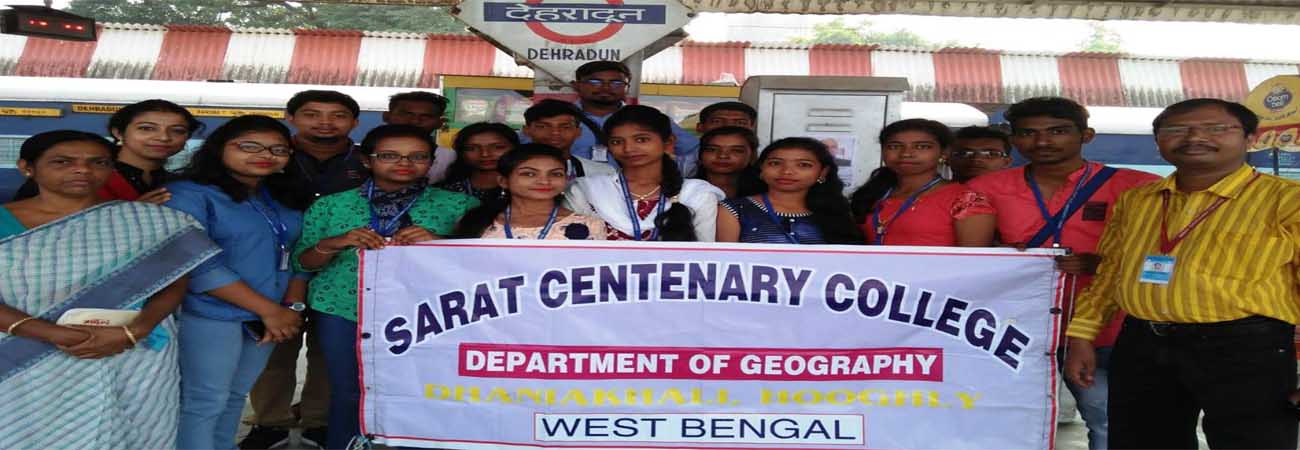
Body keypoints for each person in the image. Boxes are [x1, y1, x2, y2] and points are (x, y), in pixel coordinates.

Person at [1065, 99, 1300, 449]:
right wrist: (1082, 336)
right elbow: (1110, 271)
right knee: (1142, 442)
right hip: (1142, 342)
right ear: (1158, 141)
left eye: (1216, 128)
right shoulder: (1137, 200)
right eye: (1176, 129)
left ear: (1250, 138)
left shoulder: (1287, 200)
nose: (1194, 137)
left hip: (1245, 347)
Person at [0, 130, 219, 450]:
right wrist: (54, 334)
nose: (82, 169)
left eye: (98, 162)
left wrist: (135, 331)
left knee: (135, 430)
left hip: (133, 352)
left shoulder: (153, 221)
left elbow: (174, 282)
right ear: (27, 168)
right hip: (25, 352)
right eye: (62, 162)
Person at [966, 97, 1159, 450]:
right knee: (1005, 418)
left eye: (1057, 131)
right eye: (1028, 133)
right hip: (1015, 327)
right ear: (1014, 139)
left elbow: (1170, 257)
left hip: (1106, 325)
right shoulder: (987, 188)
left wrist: (1103, 265)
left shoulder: (1138, 186)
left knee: (1109, 419)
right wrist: (1005, 256)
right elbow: (970, 255)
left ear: (1086, 135)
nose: (1042, 141)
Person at [294, 124, 478, 449]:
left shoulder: (460, 205)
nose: (404, 163)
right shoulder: (331, 205)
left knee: (419, 387)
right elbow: (303, 263)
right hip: (343, 308)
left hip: (429, 314)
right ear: (367, 160)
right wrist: (334, 243)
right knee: (349, 390)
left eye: (417, 156)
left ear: (431, 162)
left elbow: (479, 265)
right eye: (390, 155)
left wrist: (439, 242)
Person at [164, 115, 309, 450]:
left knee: (233, 397)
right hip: (209, 313)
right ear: (219, 148)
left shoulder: (277, 195)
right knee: (203, 400)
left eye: (278, 149)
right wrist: (269, 310)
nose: (265, 155)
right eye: (249, 146)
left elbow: (297, 254)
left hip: (269, 316)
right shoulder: (188, 194)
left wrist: (290, 307)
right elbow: (197, 263)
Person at [242, 90, 362, 449]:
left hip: (339, 272)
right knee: (274, 349)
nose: (325, 122)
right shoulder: (273, 157)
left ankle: (318, 422)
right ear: (291, 117)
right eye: (312, 114)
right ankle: (270, 422)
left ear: (354, 122)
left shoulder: (366, 161)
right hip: (272, 269)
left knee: (331, 354)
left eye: (337, 115)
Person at [566, 105, 723, 241]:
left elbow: (706, 253)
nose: (628, 148)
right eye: (617, 142)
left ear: (668, 143)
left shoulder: (696, 194)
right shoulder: (587, 190)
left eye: (641, 140)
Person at [12, 99, 205, 203]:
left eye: (177, 131)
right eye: (146, 128)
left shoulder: (176, 183)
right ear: (118, 132)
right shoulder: (79, 174)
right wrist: (132, 214)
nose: (163, 137)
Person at [850, 119, 996, 247]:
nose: (906, 153)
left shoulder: (966, 201)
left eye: (922, 146)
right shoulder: (874, 193)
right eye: (894, 146)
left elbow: (973, 263)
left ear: (944, 153)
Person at [716, 137, 861, 244]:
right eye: (775, 163)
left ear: (823, 172)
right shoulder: (734, 210)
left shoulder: (838, 210)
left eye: (803, 165)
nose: (787, 171)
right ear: (761, 169)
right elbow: (726, 264)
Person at [565, 60, 700, 175]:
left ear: (627, 87)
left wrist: (673, 172)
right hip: (570, 187)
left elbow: (695, 151)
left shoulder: (648, 117)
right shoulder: (560, 117)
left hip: (634, 190)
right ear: (576, 85)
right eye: (595, 81)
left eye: (616, 83)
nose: (606, 87)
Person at [455, 143, 607, 240]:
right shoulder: (478, 222)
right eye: (529, 174)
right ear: (503, 181)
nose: (544, 181)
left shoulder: (590, 225)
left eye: (555, 174)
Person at [522, 99, 615, 179]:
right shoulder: (514, 169)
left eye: (565, 127)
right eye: (543, 126)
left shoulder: (603, 173)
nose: (555, 132)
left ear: (578, 132)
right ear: (526, 130)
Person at [381, 91, 456, 183]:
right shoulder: (368, 150)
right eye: (406, 114)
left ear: (440, 123)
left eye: (426, 117)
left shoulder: (449, 158)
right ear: (386, 116)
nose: (415, 121)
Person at [438, 122, 519, 203]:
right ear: (461, 152)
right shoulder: (443, 192)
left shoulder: (524, 189)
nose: (485, 154)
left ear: (515, 149)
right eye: (472, 148)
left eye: (498, 147)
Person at [696, 126, 760, 198]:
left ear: (752, 156)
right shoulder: (688, 189)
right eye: (712, 149)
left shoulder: (765, 193)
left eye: (736, 150)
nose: (722, 156)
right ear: (700, 154)